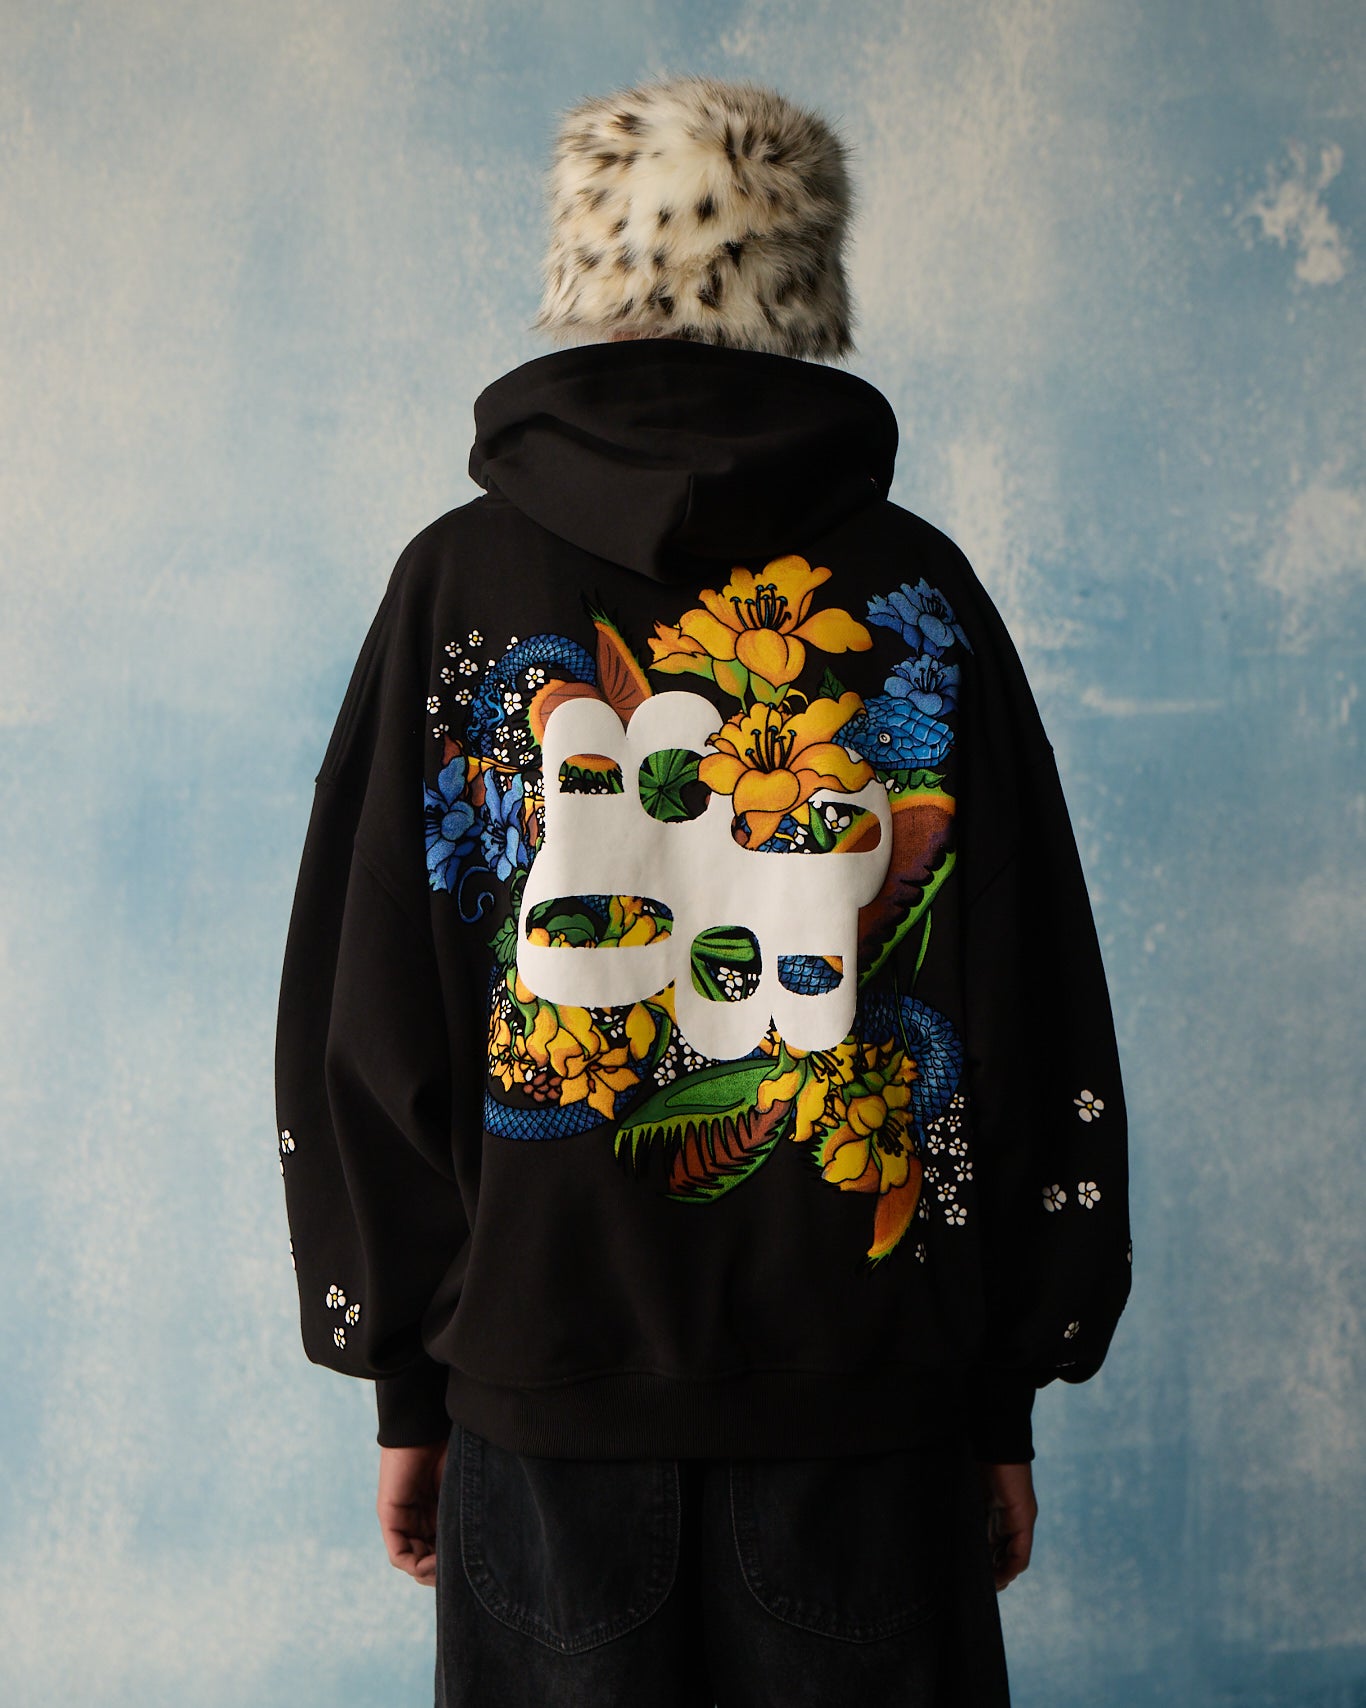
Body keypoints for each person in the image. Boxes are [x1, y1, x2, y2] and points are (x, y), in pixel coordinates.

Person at [274, 72, 1132, 1707]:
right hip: (868, 1406)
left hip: (540, 1401)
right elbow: (1020, 995)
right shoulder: (916, 588)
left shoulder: (457, 580)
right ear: (801, 287)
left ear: (588, 273)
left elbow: (370, 998)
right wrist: (1004, 1390)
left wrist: (404, 1376)